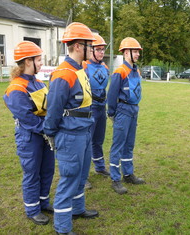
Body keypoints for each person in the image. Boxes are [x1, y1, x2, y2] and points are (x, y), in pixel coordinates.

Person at [43, 22, 99, 235]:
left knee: (81, 175)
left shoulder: (79, 69)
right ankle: (63, 228)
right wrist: (50, 132)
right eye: (88, 45)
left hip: (83, 132)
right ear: (78, 46)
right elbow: (54, 108)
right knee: (69, 178)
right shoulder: (63, 74)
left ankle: (77, 209)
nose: (91, 49)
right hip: (70, 135)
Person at [3, 41, 55, 225]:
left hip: (43, 134)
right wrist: (48, 129)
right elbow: (27, 117)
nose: (41, 63)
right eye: (39, 60)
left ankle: (43, 202)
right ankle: (33, 209)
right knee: (32, 172)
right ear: (27, 62)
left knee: (47, 169)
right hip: (30, 136)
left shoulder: (38, 82)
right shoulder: (16, 88)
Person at [107, 37, 145, 195]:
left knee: (129, 144)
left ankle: (128, 174)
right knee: (118, 145)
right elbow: (111, 94)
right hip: (123, 110)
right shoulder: (119, 72)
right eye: (134, 51)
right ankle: (115, 179)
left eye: (138, 51)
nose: (137, 54)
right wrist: (112, 113)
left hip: (134, 110)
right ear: (125, 52)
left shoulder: (136, 71)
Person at [83, 33, 110, 189]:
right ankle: (83, 176)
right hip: (90, 109)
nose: (101, 52)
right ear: (91, 50)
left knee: (98, 140)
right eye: (98, 49)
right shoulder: (84, 67)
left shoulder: (105, 67)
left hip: (101, 108)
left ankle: (99, 167)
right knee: (86, 143)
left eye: (102, 49)